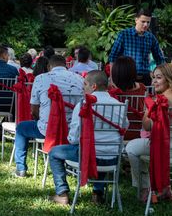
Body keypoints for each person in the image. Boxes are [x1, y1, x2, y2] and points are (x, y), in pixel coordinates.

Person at [48, 71, 128, 206]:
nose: (83, 87)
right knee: (100, 150)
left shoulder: (83, 105)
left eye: (85, 84)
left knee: (54, 152)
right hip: (112, 158)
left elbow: (73, 139)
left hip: (88, 157)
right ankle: (98, 193)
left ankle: (62, 193)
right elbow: (125, 126)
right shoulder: (120, 106)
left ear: (94, 86)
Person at [126, 64, 172, 202]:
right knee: (139, 147)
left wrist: (146, 111)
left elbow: (148, 126)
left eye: (158, 78)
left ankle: (145, 188)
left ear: (169, 79)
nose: (153, 82)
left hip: (165, 150)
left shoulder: (160, 100)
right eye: (153, 78)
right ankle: (165, 188)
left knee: (131, 148)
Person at [13, 54, 84, 177]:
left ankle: (21, 168)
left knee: (21, 128)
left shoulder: (40, 78)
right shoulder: (80, 79)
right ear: (66, 65)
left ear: (49, 66)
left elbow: (34, 110)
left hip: (48, 129)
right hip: (74, 130)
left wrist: (40, 119)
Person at [108, 8, 165, 85]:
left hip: (145, 78)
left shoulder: (151, 38)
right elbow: (113, 57)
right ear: (136, 20)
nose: (146, 25)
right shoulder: (124, 35)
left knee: (145, 97)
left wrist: (158, 78)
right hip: (126, 76)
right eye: (143, 21)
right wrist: (112, 78)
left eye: (148, 22)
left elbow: (160, 59)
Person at [109, 56, 146, 140]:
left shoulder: (110, 92)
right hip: (137, 134)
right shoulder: (142, 88)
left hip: (116, 134)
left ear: (115, 73)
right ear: (133, 73)